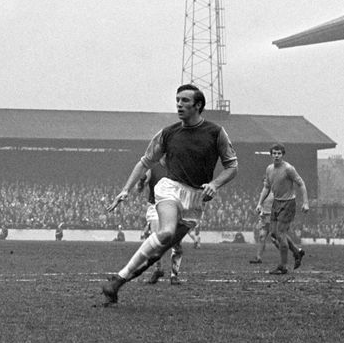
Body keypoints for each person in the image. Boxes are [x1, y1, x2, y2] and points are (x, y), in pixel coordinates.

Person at [102, 84, 238, 306]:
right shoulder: (168, 133)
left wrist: (215, 183)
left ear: (198, 105)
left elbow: (232, 167)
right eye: (177, 100)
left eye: (185, 100)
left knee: (158, 253)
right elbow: (145, 161)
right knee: (165, 233)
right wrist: (125, 189)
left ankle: (116, 284)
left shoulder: (216, 133)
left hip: (195, 199)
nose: (179, 104)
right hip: (170, 189)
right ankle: (117, 280)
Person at [257, 143, 309, 275]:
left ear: (283, 154)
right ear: (271, 154)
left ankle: (283, 266)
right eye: (274, 153)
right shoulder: (269, 169)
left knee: (280, 234)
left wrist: (305, 202)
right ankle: (297, 252)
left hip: (288, 203)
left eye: (279, 153)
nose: (276, 156)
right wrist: (259, 203)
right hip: (276, 203)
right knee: (274, 233)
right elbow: (267, 187)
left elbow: (301, 183)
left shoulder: (288, 169)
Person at [137, 159, 183, 285]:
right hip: (155, 206)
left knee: (176, 244)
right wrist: (141, 181)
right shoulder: (153, 169)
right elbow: (140, 188)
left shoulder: (177, 169)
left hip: (173, 207)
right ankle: (158, 269)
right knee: (156, 240)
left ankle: (174, 274)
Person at [249, 193, 277, 264]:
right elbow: (261, 204)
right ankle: (258, 258)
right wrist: (259, 211)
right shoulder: (264, 192)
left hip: (273, 217)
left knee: (275, 240)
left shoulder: (276, 191)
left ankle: (295, 251)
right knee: (262, 237)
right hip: (264, 218)